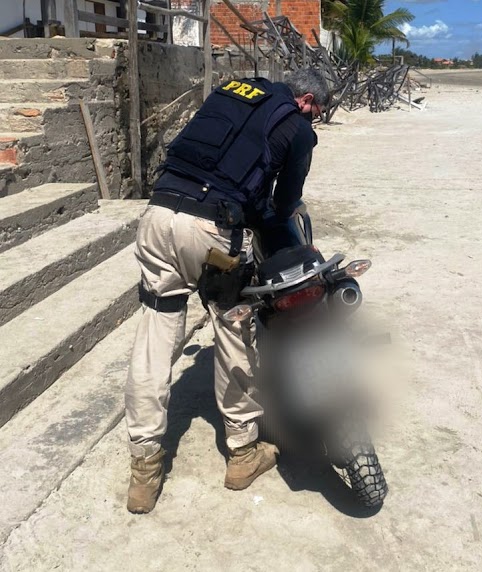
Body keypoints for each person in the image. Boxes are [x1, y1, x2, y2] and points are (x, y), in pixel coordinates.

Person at [125, 68, 330, 514]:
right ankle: (242, 453)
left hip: (158, 217)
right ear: (306, 99)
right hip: (213, 231)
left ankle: (144, 470)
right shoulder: (296, 127)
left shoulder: (233, 90)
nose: (317, 118)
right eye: (319, 110)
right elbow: (284, 200)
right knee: (233, 330)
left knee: (154, 340)